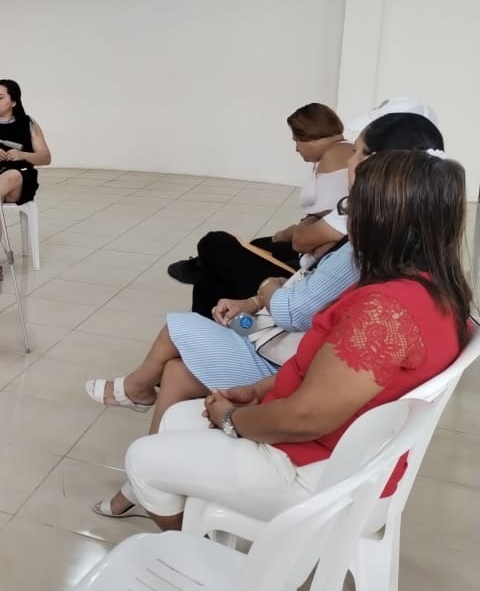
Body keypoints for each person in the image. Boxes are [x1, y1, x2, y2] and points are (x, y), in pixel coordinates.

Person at [91, 112, 447, 519]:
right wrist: (259, 389)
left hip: (315, 466)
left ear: (376, 175)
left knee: (145, 458)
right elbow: (322, 371)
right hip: (315, 426)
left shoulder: (384, 307)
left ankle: (197, 544)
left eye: (357, 154)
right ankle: (169, 507)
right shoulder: (415, 273)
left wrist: (234, 420)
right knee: (175, 384)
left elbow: (307, 416)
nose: (349, 160)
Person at [168, 103, 354, 317]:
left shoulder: (335, 161)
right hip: (304, 266)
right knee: (251, 248)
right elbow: (317, 224)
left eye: (296, 140)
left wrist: (295, 230)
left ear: (308, 135)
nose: (296, 149)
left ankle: (200, 277)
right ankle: (203, 303)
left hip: (297, 278)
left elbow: (304, 238)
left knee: (214, 242)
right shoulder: (341, 161)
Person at [0, 79, 52, 289]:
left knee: (12, 175)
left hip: (20, 181)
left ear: (14, 101)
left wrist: (23, 155)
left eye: (0, 97)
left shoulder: (27, 123)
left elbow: (46, 157)